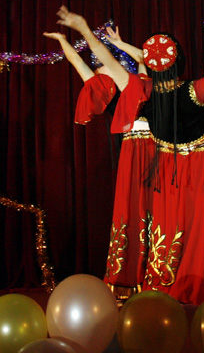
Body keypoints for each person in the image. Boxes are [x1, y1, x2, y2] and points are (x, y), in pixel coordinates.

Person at [55, 0, 204, 305]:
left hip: (166, 169)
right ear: (181, 61)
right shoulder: (195, 89)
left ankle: (169, 286)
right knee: (202, 227)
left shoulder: (143, 93)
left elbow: (108, 61)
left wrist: (84, 29)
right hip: (198, 167)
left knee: (170, 226)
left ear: (151, 66)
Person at [43, 28, 153, 302]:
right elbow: (77, 63)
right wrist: (63, 41)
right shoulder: (105, 89)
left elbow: (143, 57)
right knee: (133, 210)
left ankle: (158, 271)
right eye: (98, 67)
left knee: (157, 210)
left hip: (156, 151)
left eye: (104, 65)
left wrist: (119, 42)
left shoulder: (141, 83)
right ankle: (132, 275)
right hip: (130, 152)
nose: (99, 70)